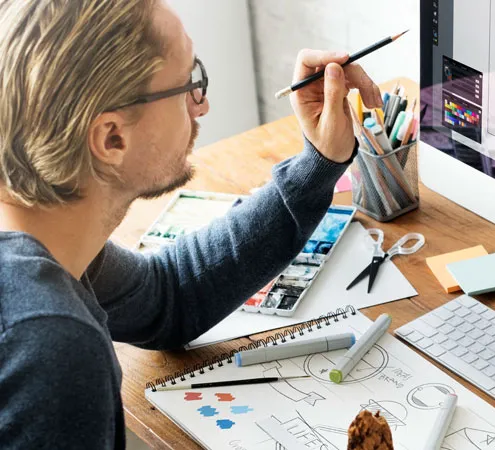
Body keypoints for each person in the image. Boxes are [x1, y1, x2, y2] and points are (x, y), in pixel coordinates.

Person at [0, 0, 382, 448]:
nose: (201, 106)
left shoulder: (45, 236)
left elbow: (168, 297)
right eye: (187, 84)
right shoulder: (51, 346)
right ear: (112, 138)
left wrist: (319, 163)